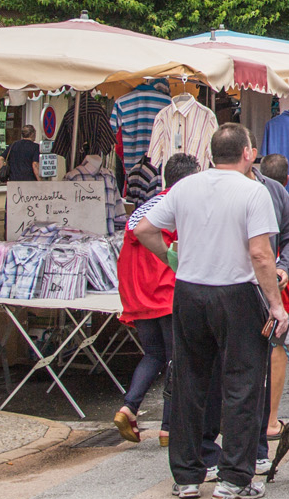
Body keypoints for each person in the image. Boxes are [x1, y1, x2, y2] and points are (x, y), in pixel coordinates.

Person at [133, 124, 288, 499]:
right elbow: (260, 254)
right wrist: (276, 304)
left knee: (189, 381)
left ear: (211, 154)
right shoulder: (253, 191)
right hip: (235, 292)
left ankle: (186, 475)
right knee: (242, 385)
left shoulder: (186, 185)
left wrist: (173, 257)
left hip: (189, 291)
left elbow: (143, 229)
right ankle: (235, 478)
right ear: (248, 153)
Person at [113, 153, 200, 444]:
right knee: (179, 359)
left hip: (137, 293)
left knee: (153, 354)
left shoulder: (144, 207)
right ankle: (167, 427)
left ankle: (129, 406)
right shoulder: (181, 207)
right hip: (166, 291)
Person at [251, 154, 289, 442]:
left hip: (264, 285)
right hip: (279, 290)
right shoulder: (281, 198)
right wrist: (283, 270)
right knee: (275, 346)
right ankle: (270, 420)